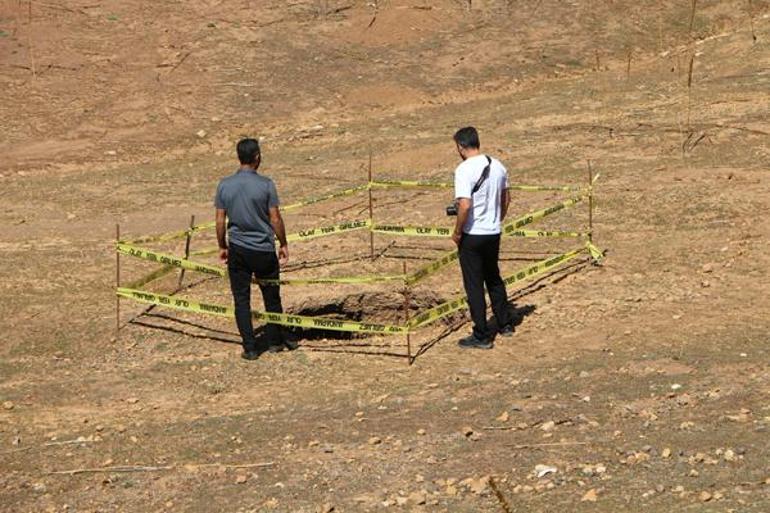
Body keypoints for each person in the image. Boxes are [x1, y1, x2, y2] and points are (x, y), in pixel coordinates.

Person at [215, 138, 295, 360]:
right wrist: (284, 243)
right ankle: (275, 342)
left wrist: (222, 246)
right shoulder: (266, 184)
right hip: (263, 250)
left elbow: (220, 221)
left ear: (239, 157)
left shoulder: (224, 185)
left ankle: (250, 348)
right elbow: (276, 218)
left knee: (241, 300)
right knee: (272, 296)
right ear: (257, 157)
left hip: (238, 250)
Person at [451, 126, 514, 349]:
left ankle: (481, 335)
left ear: (460, 146)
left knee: (474, 285)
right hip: (493, 232)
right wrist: (497, 219)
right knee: (494, 276)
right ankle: (505, 323)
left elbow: (465, 204)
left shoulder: (463, 170)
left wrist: (458, 231)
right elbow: (507, 198)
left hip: (473, 234)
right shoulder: (498, 165)